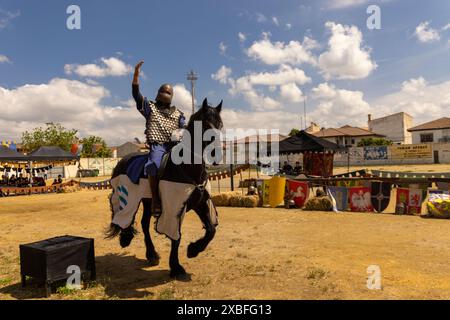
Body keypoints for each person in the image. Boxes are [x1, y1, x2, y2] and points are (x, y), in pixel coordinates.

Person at [132, 61, 186, 215]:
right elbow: (136, 95)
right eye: (163, 91)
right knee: (153, 165)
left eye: (168, 92)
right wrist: (136, 74)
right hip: (158, 146)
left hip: (175, 145)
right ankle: (155, 199)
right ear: (157, 92)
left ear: (172, 97)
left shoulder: (178, 114)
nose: (165, 94)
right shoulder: (150, 108)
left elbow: (184, 129)